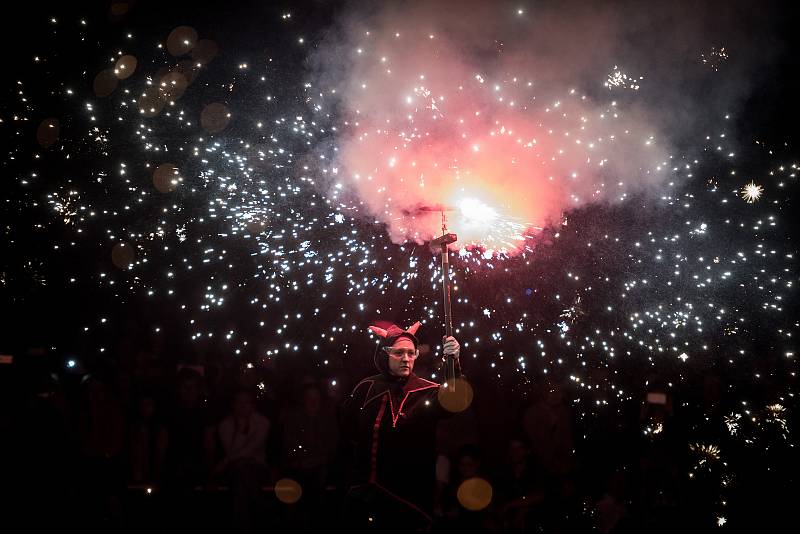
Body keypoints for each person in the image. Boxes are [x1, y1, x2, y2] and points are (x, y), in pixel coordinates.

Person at [340, 321, 462, 532]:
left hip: (407, 499)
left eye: (411, 353)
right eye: (399, 353)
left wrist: (453, 362)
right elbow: (347, 426)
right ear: (384, 355)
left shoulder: (426, 391)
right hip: (365, 496)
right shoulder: (367, 387)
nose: (406, 359)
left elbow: (452, 402)